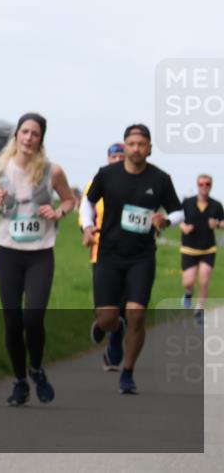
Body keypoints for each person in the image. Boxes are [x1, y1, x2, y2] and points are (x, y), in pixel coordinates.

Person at [0, 112, 77, 406]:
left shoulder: (52, 171)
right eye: (25, 132)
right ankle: (20, 381)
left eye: (35, 133)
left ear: (41, 139)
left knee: (33, 319)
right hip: (7, 252)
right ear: (16, 135)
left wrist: (58, 212)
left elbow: (69, 199)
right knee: (12, 322)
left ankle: (37, 369)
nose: (29, 138)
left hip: (40, 254)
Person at [80, 123, 183, 394]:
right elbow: (87, 202)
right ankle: (111, 328)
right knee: (107, 318)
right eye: (132, 143)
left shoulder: (160, 179)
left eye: (141, 144)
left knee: (136, 314)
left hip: (141, 256)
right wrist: (88, 226)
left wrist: (166, 220)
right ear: (125, 146)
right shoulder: (107, 175)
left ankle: (127, 372)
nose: (136, 148)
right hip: (109, 255)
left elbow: (178, 212)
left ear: (149, 149)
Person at [79, 143, 128, 371]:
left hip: (131, 254)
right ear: (108, 159)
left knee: (125, 304)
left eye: (121, 156)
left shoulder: (136, 183)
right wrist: (87, 230)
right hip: (101, 253)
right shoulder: (95, 183)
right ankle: (103, 323)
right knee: (106, 305)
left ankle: (114, 345)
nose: (118, 160)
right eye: (114, 156)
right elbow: (85, 211)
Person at [180, 174, 222, 325]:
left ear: (211, 186)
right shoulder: (187, 203)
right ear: (197, 185)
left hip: (208, 249)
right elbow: (178, 219)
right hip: (189, 248)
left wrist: (216, 224)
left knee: (204, 280)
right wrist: (183, 227)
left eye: (207, 184)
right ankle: (188, 293)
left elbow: (223, 223)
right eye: (201, 183)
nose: (204, 186)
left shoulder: (216, 205)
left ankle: (199, 310)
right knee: (188, 282)